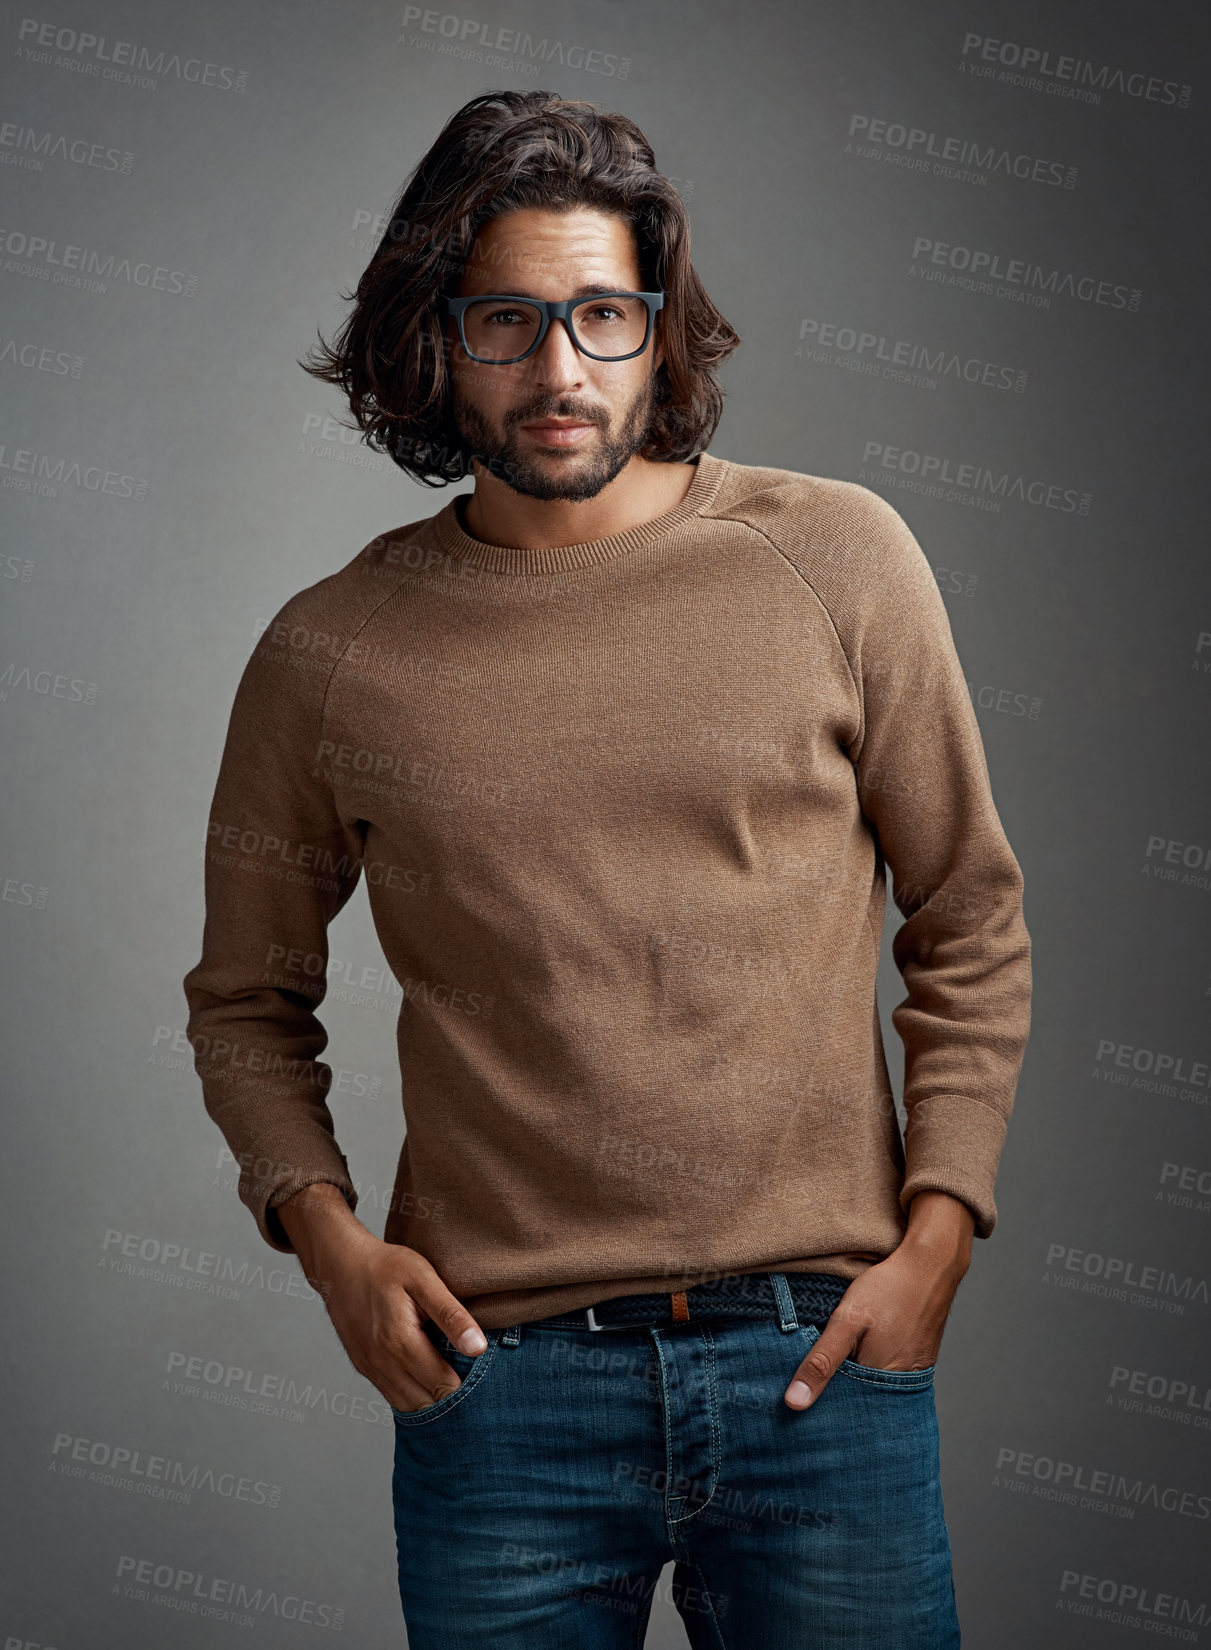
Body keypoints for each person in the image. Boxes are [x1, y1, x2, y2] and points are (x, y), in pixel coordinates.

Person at [183, 89, 1031, 1648]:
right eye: (508, 318)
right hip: (503, 1392)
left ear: (662, 326)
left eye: (602, 314)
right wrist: (334, 1256)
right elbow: (246, 1001)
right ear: (434, 336)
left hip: (819, 1369)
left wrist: (941, 1233)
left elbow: (969, 912)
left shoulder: (838, 560)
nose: (560, 369)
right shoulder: (329, 650)